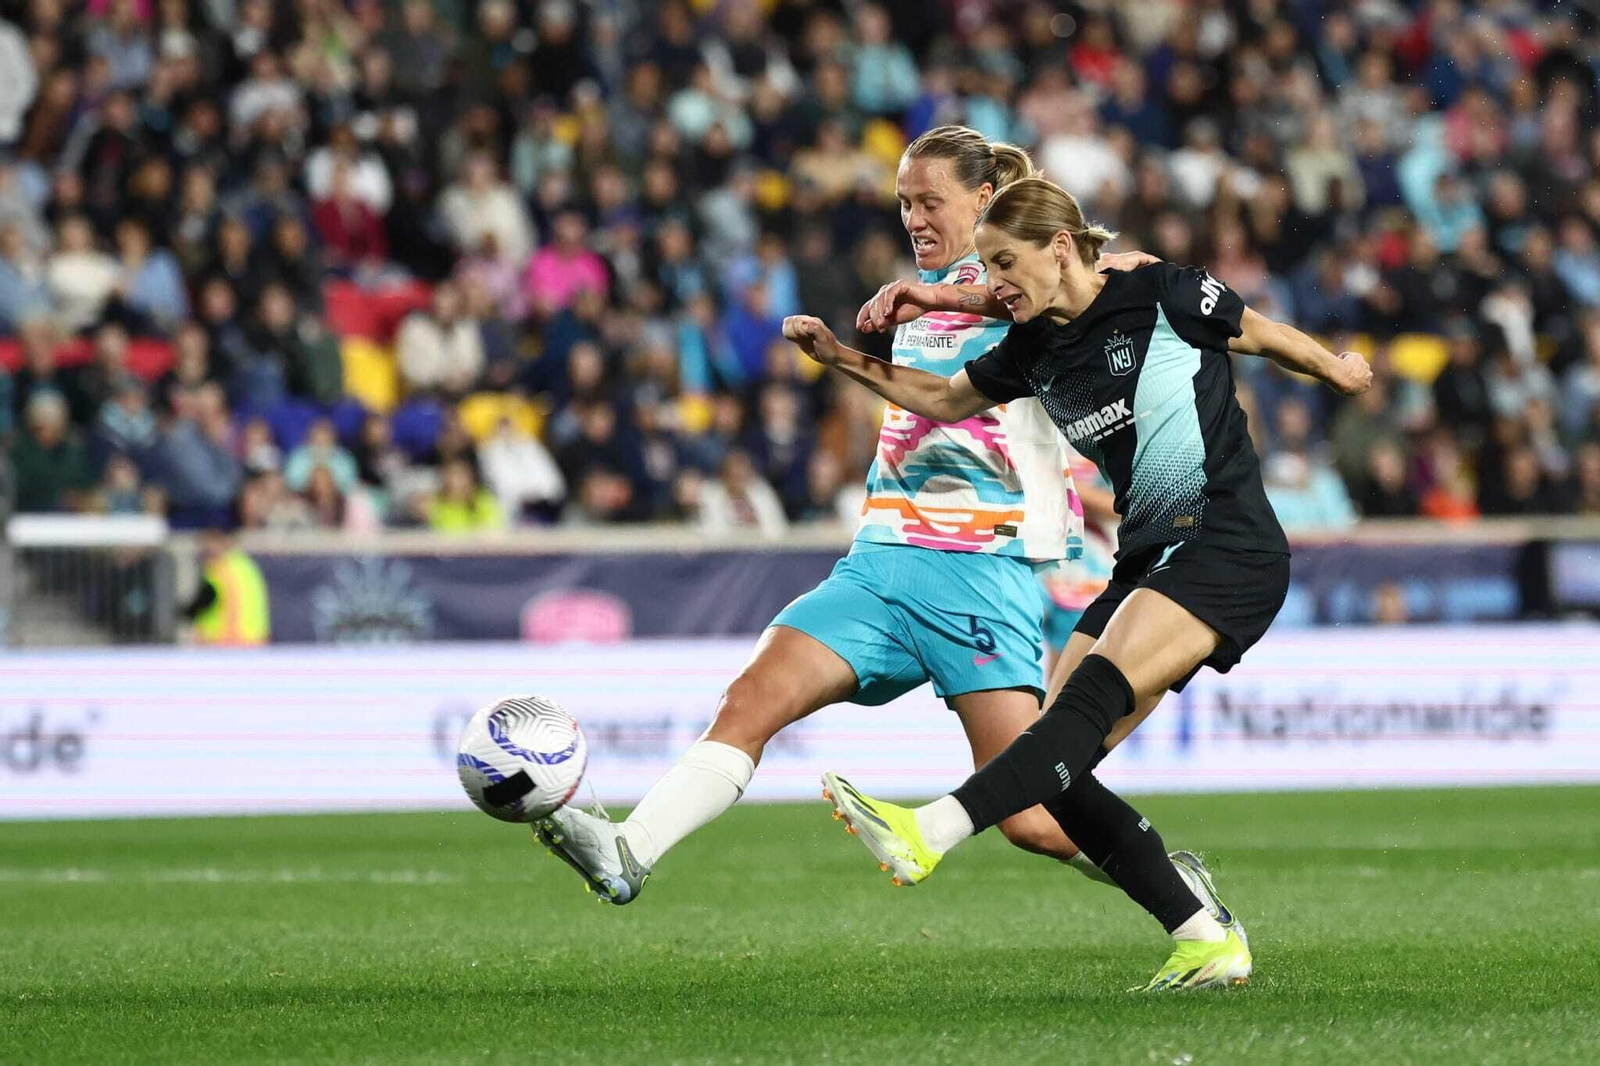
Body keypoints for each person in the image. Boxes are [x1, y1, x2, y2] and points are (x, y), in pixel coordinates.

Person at [531, 127, 1223, 922]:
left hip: (979, 570)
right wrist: (839, 353)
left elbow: (1125, 273)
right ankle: (631, 850)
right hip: (880, 559)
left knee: (1033, 819)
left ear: (985, 199)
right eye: (904, 203)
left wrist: (951, 295)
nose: (914, 218)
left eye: (931, 201)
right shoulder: (916, 295)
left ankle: (1174, 885)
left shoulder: (1029, 278)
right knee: (750, 698)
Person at [784, 175, 1371, 991]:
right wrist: (841, 359)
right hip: (1145, 560)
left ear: (1060, 248)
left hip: (1223, 545)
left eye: (1005, 264)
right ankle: (1205, 935)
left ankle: (930, 830)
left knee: (1071, 720)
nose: (994, 285)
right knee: (1057, 771)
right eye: (986, 267)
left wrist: (1336, 369)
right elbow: (944, 399)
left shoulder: (1160, 292)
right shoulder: (1033, 344)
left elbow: (1262, 334)